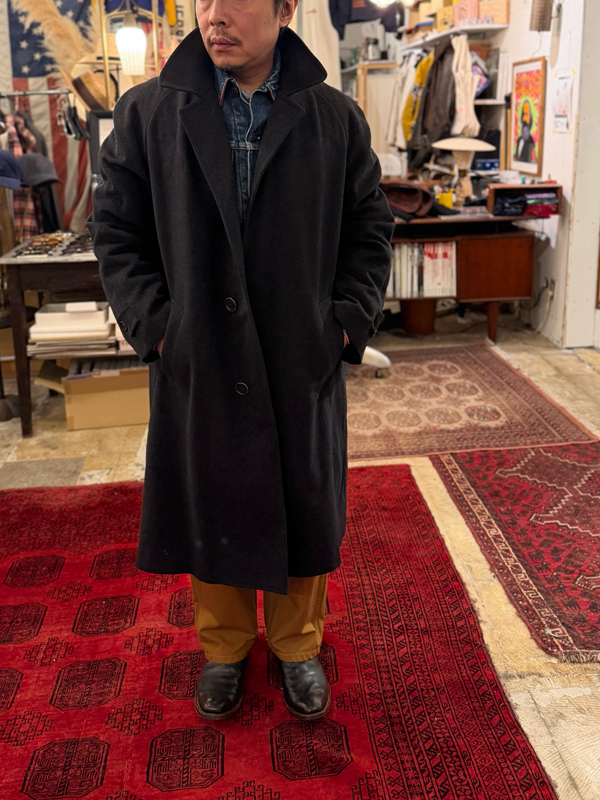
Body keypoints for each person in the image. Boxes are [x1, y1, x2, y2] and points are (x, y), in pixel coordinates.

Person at [88, 0, 393, 722]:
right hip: (198, 352)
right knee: (210, 494)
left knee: (302, 495)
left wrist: (343, 325)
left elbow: (370, 228)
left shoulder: (335, 117)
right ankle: (223, 648)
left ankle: (297, 645)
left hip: (299, 350)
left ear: (285, 10)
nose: (214, 15)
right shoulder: (147, 113)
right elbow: (115, 231)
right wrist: (159, 328)